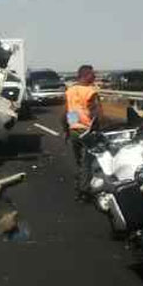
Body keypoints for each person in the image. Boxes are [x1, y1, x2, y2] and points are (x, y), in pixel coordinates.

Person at [62, 64, 102, 200]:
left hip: (74, 129)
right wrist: (97, 130)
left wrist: (67, 130)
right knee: (88, 162)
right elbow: (96, 114)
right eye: (92, 74)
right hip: (87, 131)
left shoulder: (70, 91)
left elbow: (68, 111)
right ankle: (84, 191)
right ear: (85, 76)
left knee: (79, 161)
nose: (95, 76)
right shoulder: (91, 92)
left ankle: (79, 184)